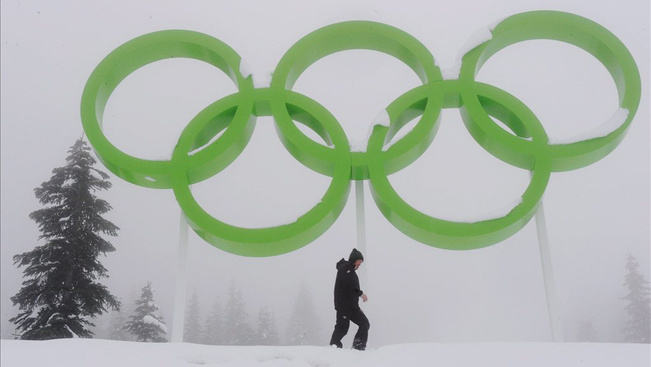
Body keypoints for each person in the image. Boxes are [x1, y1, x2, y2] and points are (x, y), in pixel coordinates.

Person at [329, 248, 370, 350]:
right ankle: (333, 348)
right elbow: (349, 286)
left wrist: (357, 307)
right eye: (359, 261)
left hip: (351, 307)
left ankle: (358, 348)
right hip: (343, 306)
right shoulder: (345, 269)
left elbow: (350, 292)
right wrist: (361, 294)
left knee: (364, 323)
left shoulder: (350, 270)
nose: (360, 264)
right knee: (342, 328)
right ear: (354, 260)